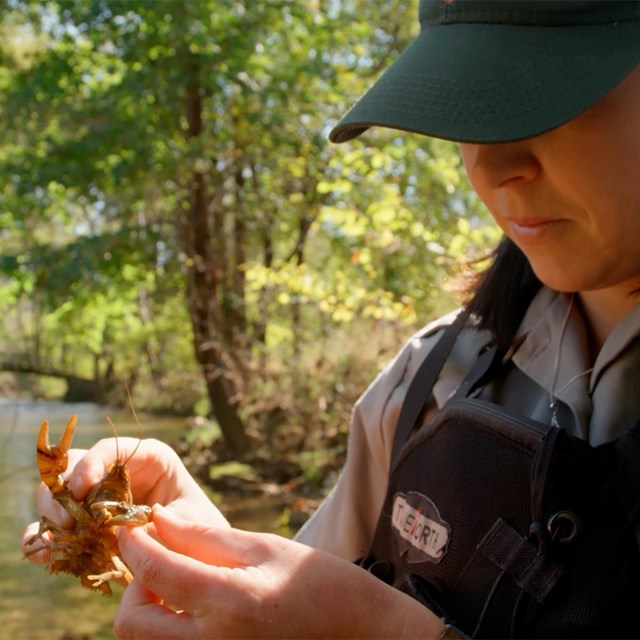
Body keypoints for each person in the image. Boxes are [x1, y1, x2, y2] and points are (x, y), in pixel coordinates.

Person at [22, 0, 640, 637]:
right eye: (467, 111)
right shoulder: (426, 383)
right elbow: (313, 599)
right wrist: (200, 553)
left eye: (543, 99)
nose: (491, 166)